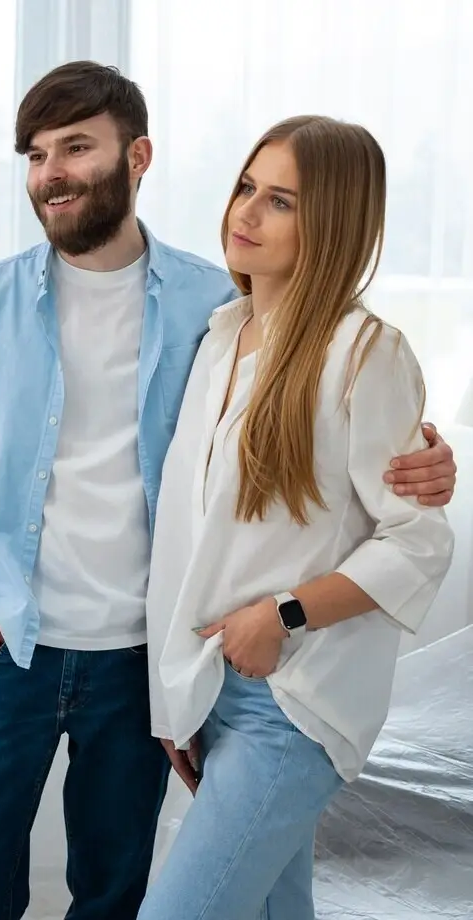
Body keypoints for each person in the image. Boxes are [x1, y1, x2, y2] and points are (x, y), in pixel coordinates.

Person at [0, 62, 458, 920]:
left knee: (118, 894)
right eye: (37, 155)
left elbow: (347, 436)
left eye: (77, 146)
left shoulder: (210, 303)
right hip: (17, 647)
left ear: (138, 155)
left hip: (144, 660)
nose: (52, 173)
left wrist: (425, 456)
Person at [138, 115, 455, 919]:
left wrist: (282, 614)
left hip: (295, 699)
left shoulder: (364, 352)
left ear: (332, 223)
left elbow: (417, 541)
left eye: (280, 201)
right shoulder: (221, 339)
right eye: (247, 187)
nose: (246, 212)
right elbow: (190, 539)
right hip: (213, 688)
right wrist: (176, 697)